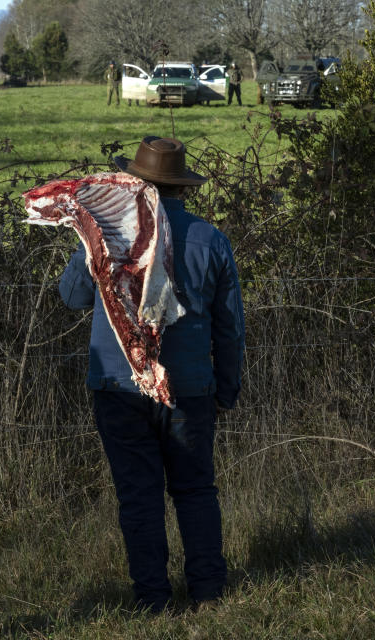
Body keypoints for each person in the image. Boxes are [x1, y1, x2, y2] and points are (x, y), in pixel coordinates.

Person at [58, 137, 245, 613]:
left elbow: (74, 297)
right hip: (189, 387)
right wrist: (227, 388)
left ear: (136, 184)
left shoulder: (107, 233)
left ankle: (153, 600)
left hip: (118, 385)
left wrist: (90, 239)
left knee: (138, 497)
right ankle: (207, 593)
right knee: (195, 490)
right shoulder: (210, 239)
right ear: (182, 188)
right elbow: (229, 326)